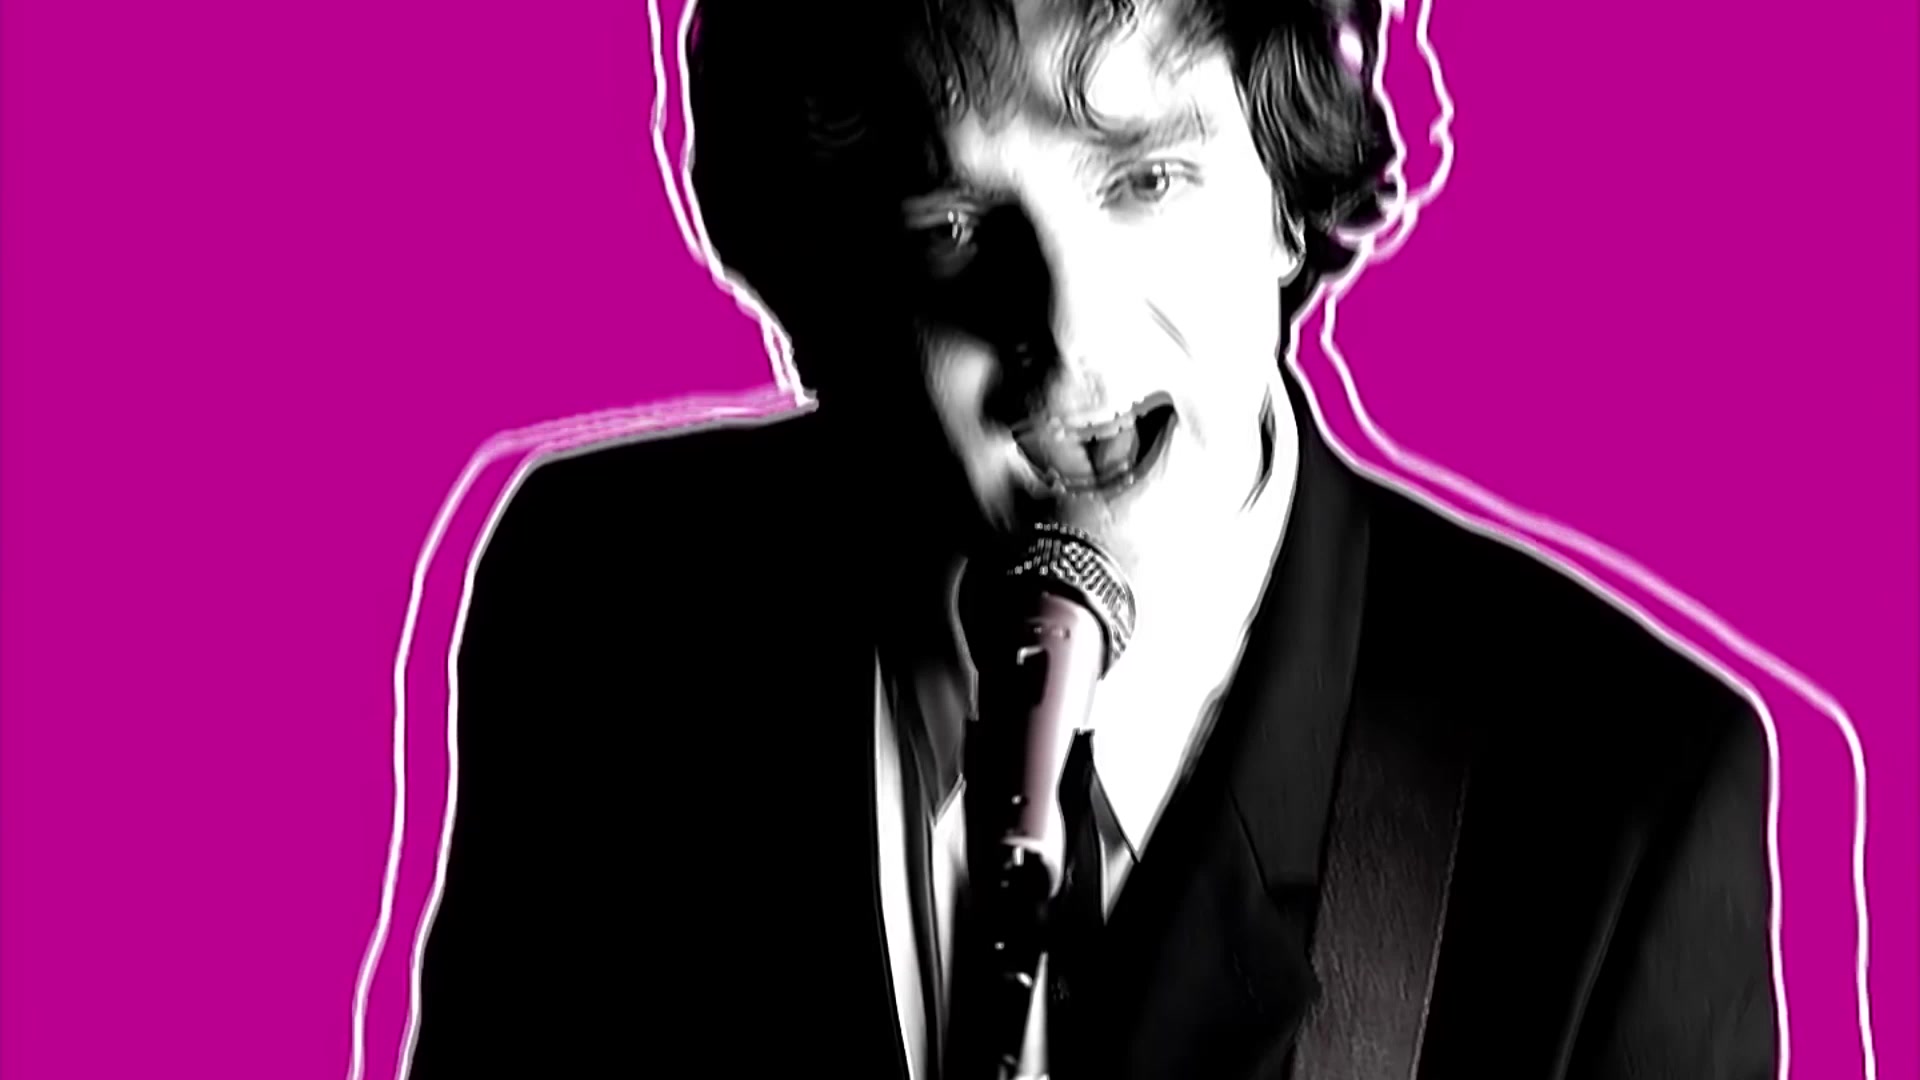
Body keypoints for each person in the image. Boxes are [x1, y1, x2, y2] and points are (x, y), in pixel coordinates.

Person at [408, 1, 1779, 1077]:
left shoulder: (1623, 797)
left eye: (1144, 179)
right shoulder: (597, 602)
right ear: (846, 269)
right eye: (952, 224)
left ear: (1285, 190)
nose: (1066, 336)